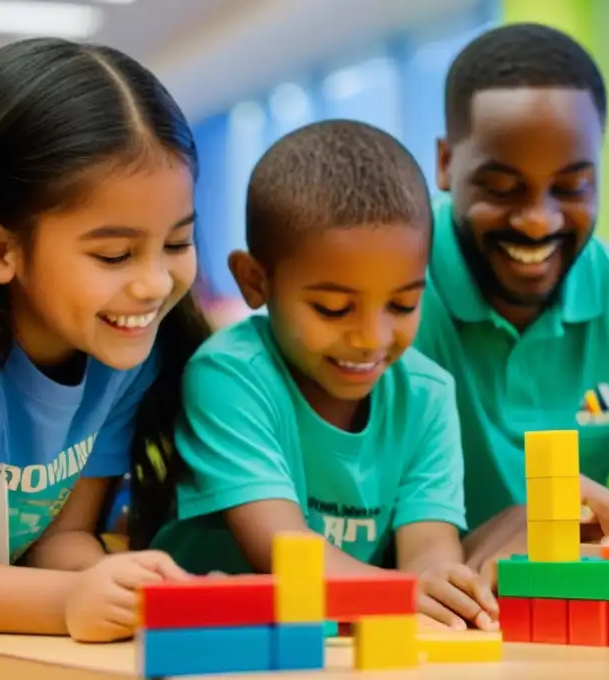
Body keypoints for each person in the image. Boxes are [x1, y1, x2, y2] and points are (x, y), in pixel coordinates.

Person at [151, 120, 500, 631]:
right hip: (206, 649)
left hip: (338, 652)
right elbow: (285, 553)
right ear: (255, 281)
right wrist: (403, 595)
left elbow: (428, 549)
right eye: (334, 308)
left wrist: (446, 591)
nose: (371, 338)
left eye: (403, 303)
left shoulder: (426, 394)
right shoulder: (228, 376)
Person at [414, 23, 609, 571]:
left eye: (572, 186)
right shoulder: (388, 296)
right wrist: (477, 544)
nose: (537, 221)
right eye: (502, 189)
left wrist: (600, 525)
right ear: (444, 163)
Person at [0, 38, 208, 642]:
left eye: (176, 243)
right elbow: (54, 591)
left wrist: (127, 587)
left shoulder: (125, 357)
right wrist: (63, 600)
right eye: (115, 254)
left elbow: (59, 538)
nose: (155, 284)